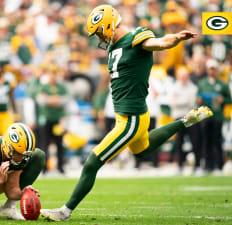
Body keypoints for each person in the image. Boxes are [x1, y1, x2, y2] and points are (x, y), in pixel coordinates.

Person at [40, 5, 213, 221]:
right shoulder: (113, 48)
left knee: (92, 163)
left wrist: (174, 39)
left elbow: (157, 43)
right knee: (142, 150)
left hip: (130, 118)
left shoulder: (136, 37)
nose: (99, 37)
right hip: (129, 115)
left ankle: (64, 212)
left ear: (111, 24)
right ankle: (185, 121)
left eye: (100, 31)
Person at [198, 59, 232, 174]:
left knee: (217, 141)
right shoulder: (202, 83)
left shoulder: (222, 84)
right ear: (207, 70)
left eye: (213, 68)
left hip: (217, 115)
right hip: (205, 116)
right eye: (210, 68)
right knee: (206, 141)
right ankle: (207, 166)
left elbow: (229, 99)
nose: (212, 71)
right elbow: (197, 99)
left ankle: (218, 165)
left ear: (216, 70)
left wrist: (222, 100)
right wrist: (199, 100)